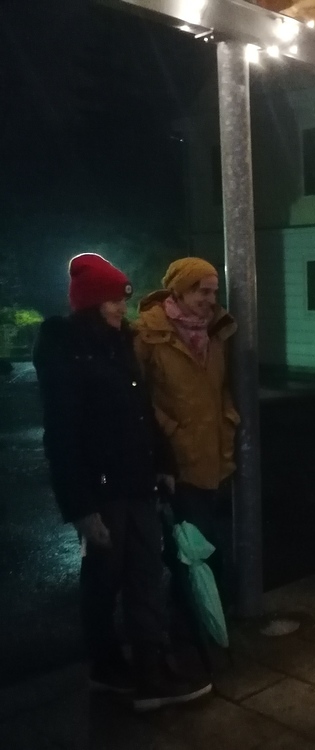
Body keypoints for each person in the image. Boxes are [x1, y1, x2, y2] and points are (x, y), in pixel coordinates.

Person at [34, 254, 212, 711]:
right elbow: (62, 434)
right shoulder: (66, 349)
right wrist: (80, 508)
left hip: (137, 483)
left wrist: (162, 461)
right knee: (104, 579)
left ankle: (151, 666)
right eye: (114, 300)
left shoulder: (118, 344)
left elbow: (141, 412)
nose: (122, 308)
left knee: (145, 574)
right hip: (103, 490)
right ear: (92, 303)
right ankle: (107, 664)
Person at [133, 258, 238, 604]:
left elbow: (221, 387)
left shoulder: (215, 330)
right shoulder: (147, 334)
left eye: (214, 292)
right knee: (195, 543)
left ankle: (197, 616)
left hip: (212, 451)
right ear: (179, 291)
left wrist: (228, 419)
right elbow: (137, 397)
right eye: (202, 292)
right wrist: (169, 431)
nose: (210, 300)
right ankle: (196, 617)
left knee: (197, 542)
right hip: (175, 458)